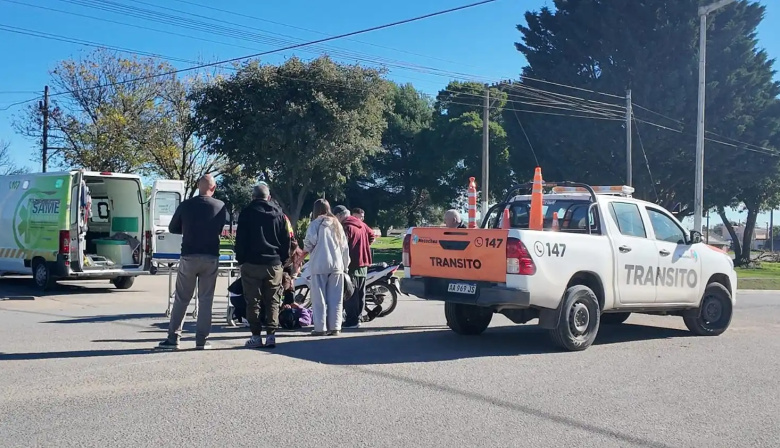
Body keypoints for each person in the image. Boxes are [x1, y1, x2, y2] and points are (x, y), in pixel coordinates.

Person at [157, 174, 228, 351]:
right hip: (211, 256)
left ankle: (173, 338)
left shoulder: (186, 205)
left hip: (189, 254)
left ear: (198, 186)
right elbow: (221, 228)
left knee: (182, 298)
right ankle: (202, 340)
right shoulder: (220, 206)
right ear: (214, 188)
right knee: (206, 300)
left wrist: (188, 228)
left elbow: (173, 228)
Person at [235, 184, 291, 349]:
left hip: (251, 263)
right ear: (268, 197)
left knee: (253, 301)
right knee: (273, 300)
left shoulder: (246, 213)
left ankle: (256, 336)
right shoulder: (279, 215)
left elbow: (241, 240)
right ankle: (271, 335)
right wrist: (282, 259)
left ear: (253, 197)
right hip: (273, 263)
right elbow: (286, 240)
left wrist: (241, 260)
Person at [304, 199, 350, 336]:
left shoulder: (315, 224)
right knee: (336, 299)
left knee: (319, 299)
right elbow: (344, 247)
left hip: (319, 265)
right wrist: (345, 266)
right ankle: (335, 326)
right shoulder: (337, 224)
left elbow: (308, 244)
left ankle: (320, 328)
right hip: (337, 266)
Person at [334, 206, 373, 328]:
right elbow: (371, 235)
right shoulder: (361, 224)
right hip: (364, 263)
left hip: (352, 263)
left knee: (350, 293)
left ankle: (352, 320)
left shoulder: (346, 227)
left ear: (339, 216)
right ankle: (358, 317)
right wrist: (365, 246)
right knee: (360, 293)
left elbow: (342, 247)